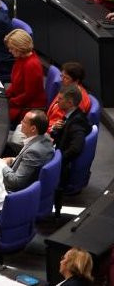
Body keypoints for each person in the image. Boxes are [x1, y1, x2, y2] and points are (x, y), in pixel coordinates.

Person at [53, 85, 91, 213]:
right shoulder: (72, 116)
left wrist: (56, 162)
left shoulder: (77, 123)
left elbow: (75, 148)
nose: (57, 101)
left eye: (60, 99)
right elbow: (65, 138)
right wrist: (56, 130)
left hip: (61, 168)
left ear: (69, 103)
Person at [1, 110, 54, 191]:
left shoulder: (34, 152)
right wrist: (12, 160)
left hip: (14, 191)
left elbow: (16, 182)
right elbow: (29, 162)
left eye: (24, 122)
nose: (21, 122)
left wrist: (3, 165)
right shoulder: (45, 137)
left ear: (33, 129)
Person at [4, 29, 46, 124]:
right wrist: (5, 95)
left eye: (12, 48)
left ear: (20, 47)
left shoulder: (31, 65)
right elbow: (15, 84)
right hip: (18, 101)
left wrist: (9, 102)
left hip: (28, 108)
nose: (10, 51)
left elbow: (29, 95)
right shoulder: (21, 58)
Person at [46, 62, 91, 134]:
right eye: (61, 76)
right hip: (48, 125)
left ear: (76, 81)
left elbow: (64, 125)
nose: (61, 79)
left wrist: (44, 129)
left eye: (66, 78)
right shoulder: (67, 89)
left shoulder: (77, 99)